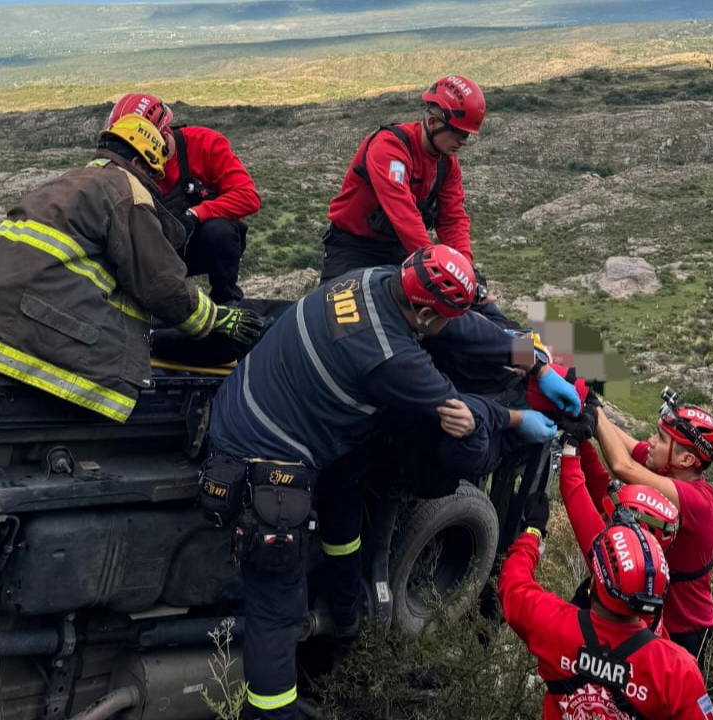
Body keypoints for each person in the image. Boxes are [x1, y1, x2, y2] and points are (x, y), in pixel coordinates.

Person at [201, 245, 566, 719]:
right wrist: (518, 419)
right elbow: (459, 414)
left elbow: (460, 327)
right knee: (277, 613)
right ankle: (272, 713)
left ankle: (346, 622)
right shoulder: (390, 356)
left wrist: (533, 359)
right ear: (425, 313)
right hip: (263, 456)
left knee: (345, 492)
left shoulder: (378, 278)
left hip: (245, 403)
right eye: (441, 317)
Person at [0, 116, 262, 422]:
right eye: (153, 175)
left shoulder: (67, 181)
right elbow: (163, 286)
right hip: (29, 332)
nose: (155, 186)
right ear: (138, 163)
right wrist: (217, 319)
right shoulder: (128, 191)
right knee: (120, 354)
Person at [499, 490, 713, 720]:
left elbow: (513, 585)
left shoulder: (553, 626)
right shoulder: (677, 670)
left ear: (595, 578)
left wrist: (533, 532)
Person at [590, 387, 713, 672]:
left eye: (661, 438)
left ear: (686, 460)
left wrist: (594, 415)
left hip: (686, 633)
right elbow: (629, 447)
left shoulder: (699, 503)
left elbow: (623, 466)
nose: (650, 442)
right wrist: (594, 410)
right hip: (654, 619)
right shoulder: (667, 466)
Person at [320, 75, 485, 283]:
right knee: (334, 302)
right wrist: (435, 268)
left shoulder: (447, 164)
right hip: (353, 246)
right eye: (459, 133)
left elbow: (452, 218)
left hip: (400, 247)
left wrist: (464, 270)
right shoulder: (389, 148)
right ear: (433, 123)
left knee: (442, 299)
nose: (464, 142)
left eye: (467, 135)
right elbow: (403, 213)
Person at [107, 93, 261, 304]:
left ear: (162, 134)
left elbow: (248, 197)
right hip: (154, 251)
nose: (132, 158)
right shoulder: (124, 167)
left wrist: (196, 213)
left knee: (220, 232)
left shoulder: (205, 144)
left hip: (199, 245)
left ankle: (226, 300)